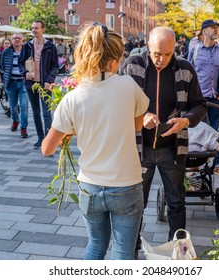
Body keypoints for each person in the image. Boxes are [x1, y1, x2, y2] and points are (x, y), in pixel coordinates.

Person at [41, 22, 149, 260]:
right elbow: (137, 125)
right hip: (126, 184)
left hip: (89, 186)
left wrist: (68, 135)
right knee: (123, 252)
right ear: (113, 61)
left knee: (95, 247)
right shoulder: (128, 86)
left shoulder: (72, 98)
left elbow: (47, 148)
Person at [119, 26, 206, 253]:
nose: (162, 59)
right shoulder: (132, 65)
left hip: (173, 149)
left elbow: (200, 105)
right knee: (136, 204)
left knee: (176, 202)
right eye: (157, 53)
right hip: (140, 148)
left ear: (175, 48)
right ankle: (131, 250)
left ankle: (178, 252)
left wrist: (186, 121)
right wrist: (141, 115)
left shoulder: (185, 69)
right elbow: (117, 103)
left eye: (168, 54)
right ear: (148, 46)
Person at [188, 19, 219, 179]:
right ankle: (196, 168)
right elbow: (188, 73)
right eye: (213, 28)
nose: (216, 30)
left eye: (217, 28)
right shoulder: (194, 49)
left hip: (216, 100)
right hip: (197, 101)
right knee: (197, 133)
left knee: (216, 133)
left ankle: (218, 164)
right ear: (204, 31)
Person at [19, 20, 59, 149]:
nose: (34, 30)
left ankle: (48, 141)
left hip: (45, 84)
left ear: (43, 29)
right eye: (32, 28)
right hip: (31, 85)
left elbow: (55, 66)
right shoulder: (27, 46)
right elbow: (21, 63)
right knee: (36, 113)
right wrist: (25, 73)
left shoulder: (50, 46)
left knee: (47, 113)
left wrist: (49, 80)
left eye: (36, 28)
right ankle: (40, 138)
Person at [0, 33, 28, 138]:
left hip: (23, 83)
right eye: (15, 38)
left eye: (19, 38)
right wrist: (4, 79)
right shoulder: (6, 52)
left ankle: (24, 128)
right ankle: (15, 121)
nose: (17, 40)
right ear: (11, 40)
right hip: (11, 83)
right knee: (13, 106)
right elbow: (3, 66)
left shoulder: (27, 51)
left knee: (24, 106)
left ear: (22, 40)